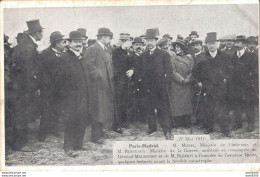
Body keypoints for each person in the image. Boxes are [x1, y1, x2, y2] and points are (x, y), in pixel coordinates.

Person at [11, 19, 44, 151]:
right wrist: (34, 88)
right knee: (21, 114)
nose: (42, 35)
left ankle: (20, 142)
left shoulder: (25, 44)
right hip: (23, 87)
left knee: (21, 113)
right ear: (37, 33)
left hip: (19, 86)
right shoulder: (28, 47)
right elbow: (28, 71)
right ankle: (20, 144)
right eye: (41, 32)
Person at [85, 28, 121, 144]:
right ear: (103, 37)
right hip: (97, 85)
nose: (110, 40)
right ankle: (95, 137)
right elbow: (89, 64)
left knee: (104, 109)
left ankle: (101, 132)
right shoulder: (92, 49)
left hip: (107, 83)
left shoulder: (106, 49)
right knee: (98, 110)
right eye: (109, 37)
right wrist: (98, 75)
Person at [196, 32, 232, 137]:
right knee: (208, 108)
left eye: (213, 43)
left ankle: (225, 129)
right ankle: (209, 127)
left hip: (221, 87)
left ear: (217, 44)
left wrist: (226, 79)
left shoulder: (224, 56)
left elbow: (230, 71)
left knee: (222, 108)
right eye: (209, 43)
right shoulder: (201, 57)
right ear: (206, 45)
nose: (212, 45)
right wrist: (198, 82)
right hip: (207, 87)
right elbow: (195, 71)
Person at [140, 29, 173, 139]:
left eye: (151, 40)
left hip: (161, 88)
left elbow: (169, 72)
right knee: (149, 108)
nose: (149, 43)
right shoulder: (143, 56)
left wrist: (166, 86)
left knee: (163, 109)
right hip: (148, 87)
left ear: (155, 41)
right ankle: (152, 128)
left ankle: (167, 130)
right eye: (147, 40)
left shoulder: (164, 55)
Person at [63, 31, 91, 157]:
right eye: (75, 42)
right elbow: (61, 79)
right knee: (71, 120)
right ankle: (68, 147)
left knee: (82, 119)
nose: (79, 44)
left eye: (80, 42)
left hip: (84, 95)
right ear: (69, 43)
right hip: (71, 97)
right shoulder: (66, 58)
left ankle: (78, 144)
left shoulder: (82, 56)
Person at [38, 31, 67, 142]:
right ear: (56, 43)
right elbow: (41, 72)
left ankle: (53, 130)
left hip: (59, 89)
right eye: (62, 42)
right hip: (48, 88)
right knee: (46, 110)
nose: (64, 44)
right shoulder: (45, 54)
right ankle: (42, 134)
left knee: (56, 109)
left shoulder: (63, 54)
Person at [230, 35, 258, 132]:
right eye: (236, 42)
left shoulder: (252, 56)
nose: (236, 44)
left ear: (244, 44)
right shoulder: (233, 55)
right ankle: (238, 123)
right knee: (236, 104)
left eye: (239, 42)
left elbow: (255, 72)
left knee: (249, 104)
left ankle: (251, 124)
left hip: (247, 85)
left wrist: (254, 85)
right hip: (235, 85)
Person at [170, 39, 194, 128]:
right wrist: (182, 80)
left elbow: (193, 70)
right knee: (177, 104)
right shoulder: (173, 59)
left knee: (186, 104)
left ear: (183, 49)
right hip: (177, 84)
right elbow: (173, 71)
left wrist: (188, 78)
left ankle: (186, 122)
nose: (176, 49)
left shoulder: (190, 58)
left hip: (187, 84)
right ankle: (177, 122)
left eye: (178, 47)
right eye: (175, 47)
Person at [112, 33, 134, 127]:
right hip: (118, 81)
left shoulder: (130, 52)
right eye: (123, 41)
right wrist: (122, 49)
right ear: (120, 41)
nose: (125, 43)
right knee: (118, 102)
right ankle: (117, 123)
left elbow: (133, 64)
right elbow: (117, 63)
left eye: (127, 41)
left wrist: (132, 70)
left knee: (126, 101)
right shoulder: (115, 51)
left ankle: (125, 121)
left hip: (127, 80)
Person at [131, 37, 145, 123]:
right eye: (136, 45)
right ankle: (133, 118)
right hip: (133, 81)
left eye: (140, 45)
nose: (138, 47)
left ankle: (143, 117)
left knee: (143, 99)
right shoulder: (130, 55)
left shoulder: (145, 55)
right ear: (133, 46)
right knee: (133, 100)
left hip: (143, 81)